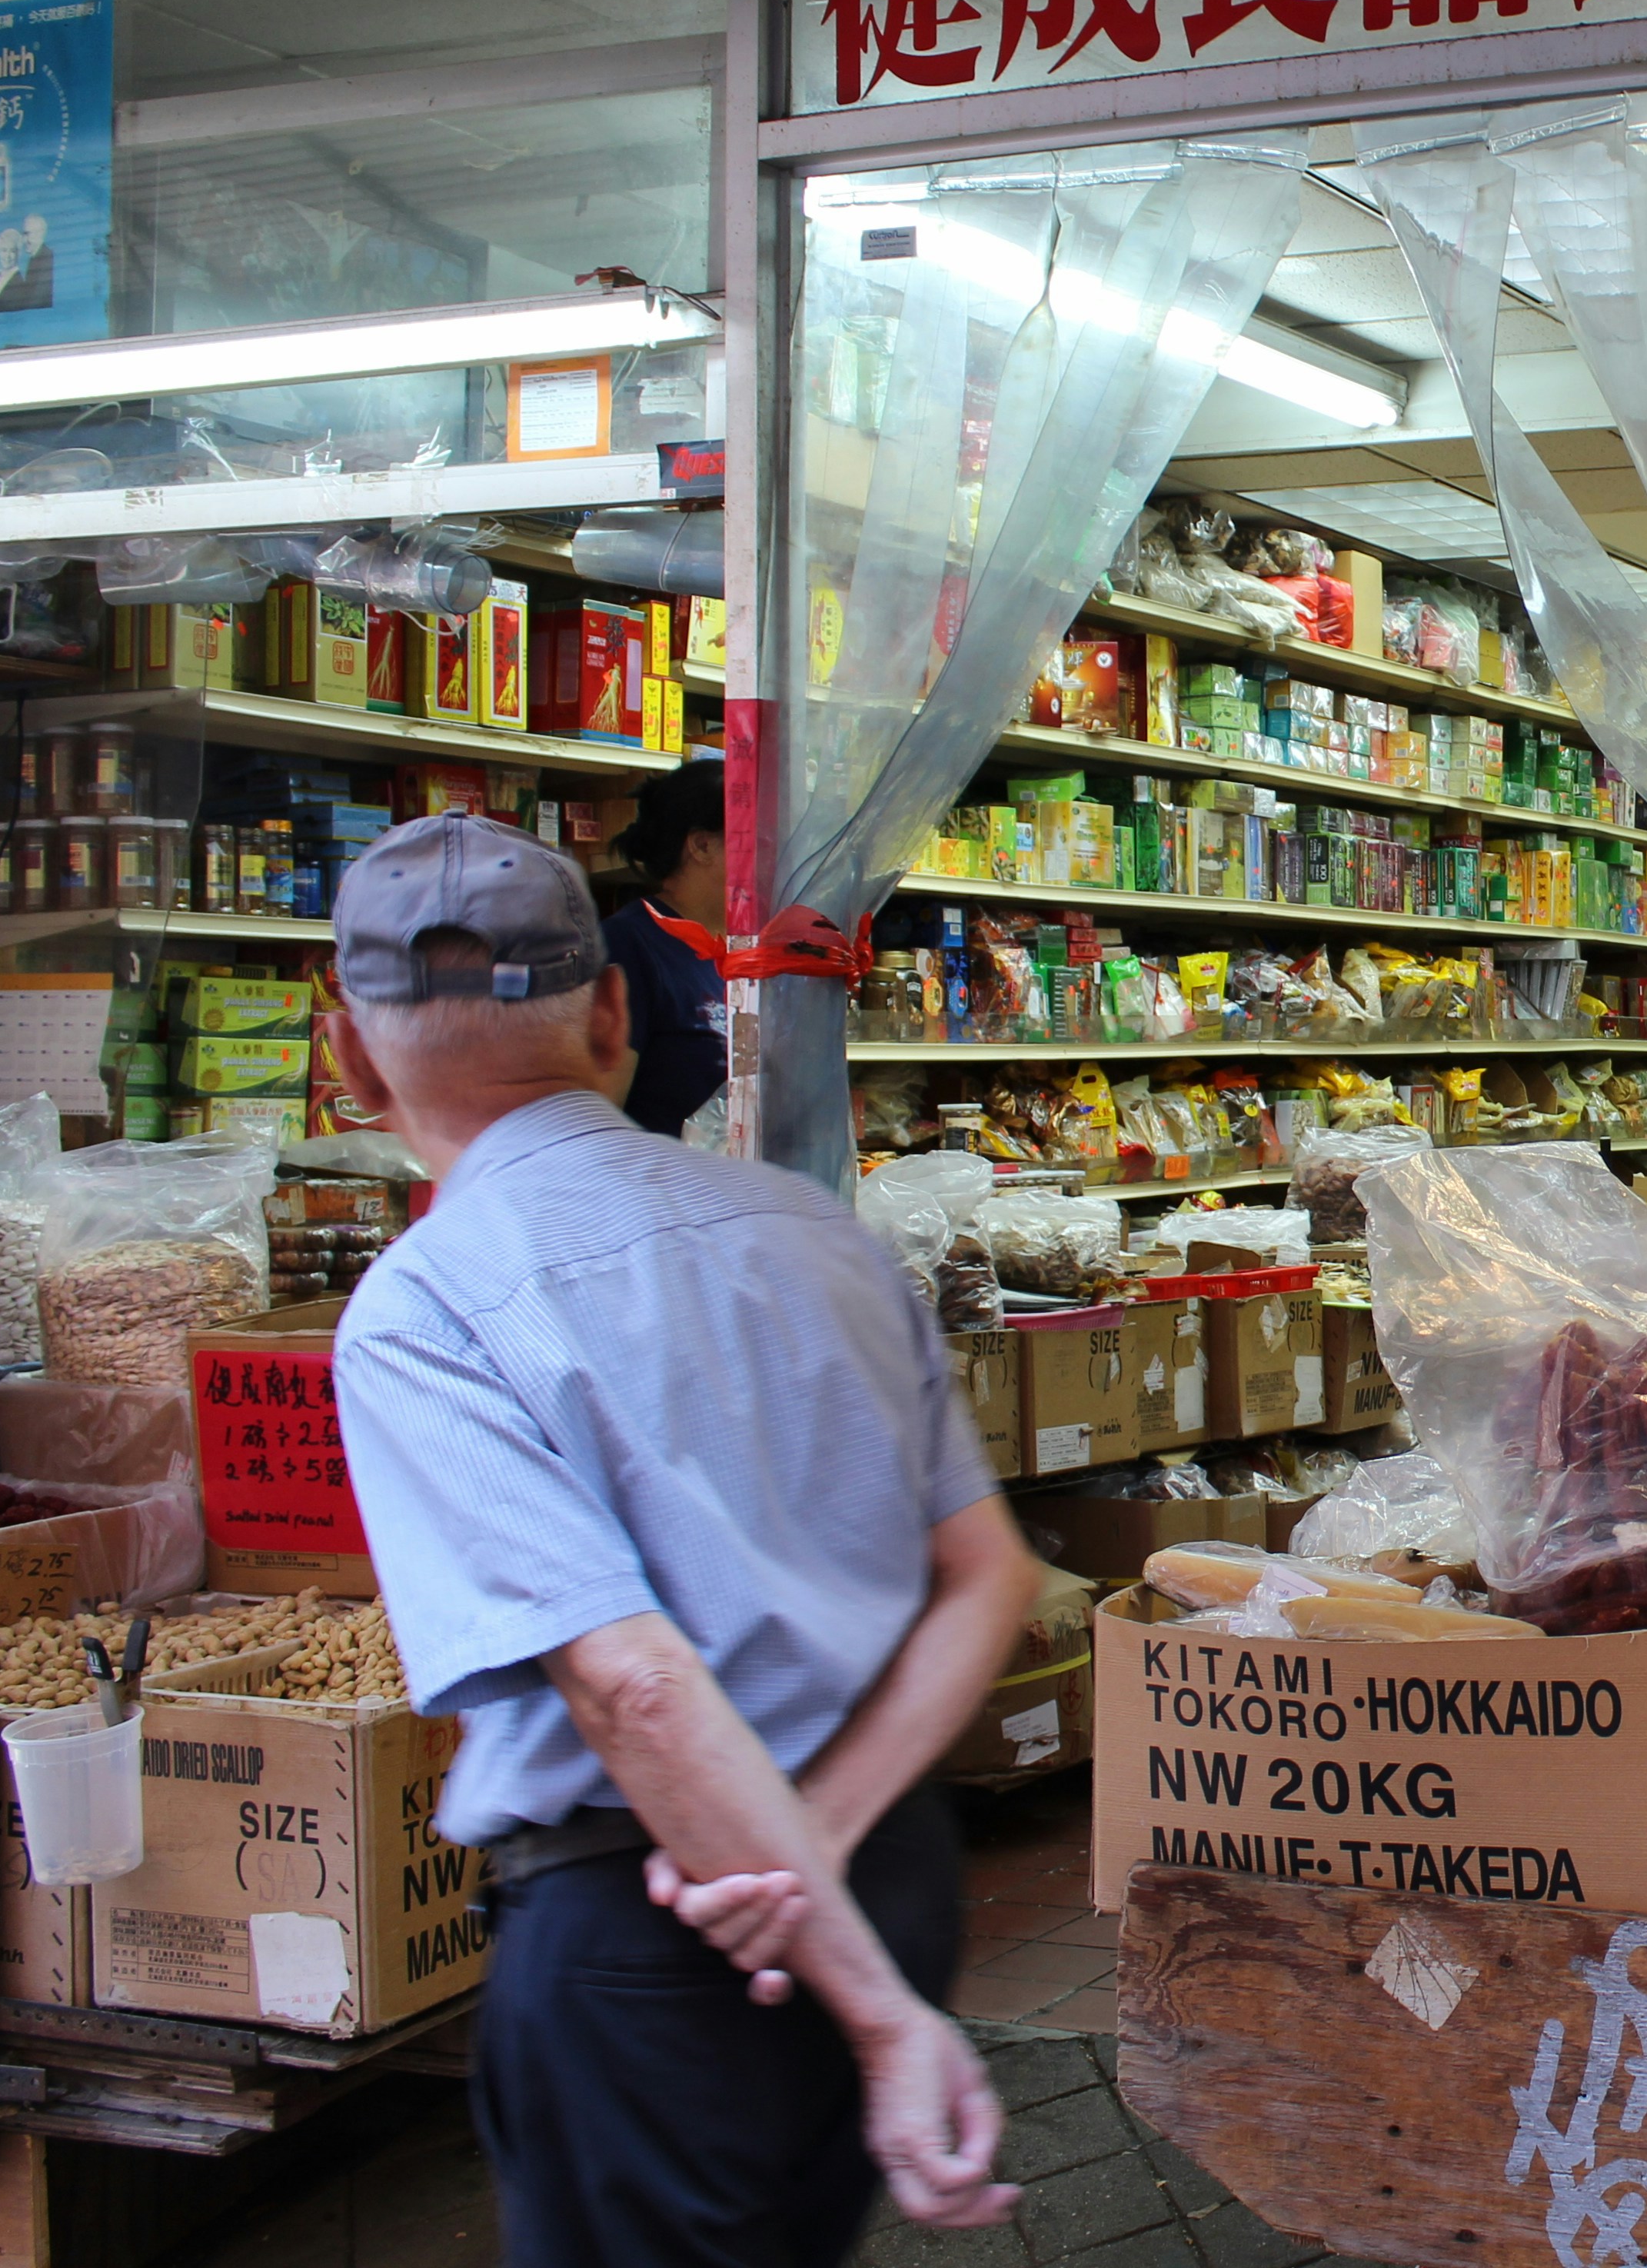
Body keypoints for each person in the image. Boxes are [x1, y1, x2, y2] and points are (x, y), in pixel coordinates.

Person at [318, 811, 1038, 2266]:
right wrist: (831, 1854)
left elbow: (632, 1685)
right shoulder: (816, 1231)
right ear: (608, 1014)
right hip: (882, 1867)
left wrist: (877, 2016)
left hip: (671, 1929)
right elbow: (990, 1575)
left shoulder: (422, 1306)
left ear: (344, 1053)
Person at [604, 758, 729, 1138]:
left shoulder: (738, 949)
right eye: (761, 838)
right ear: (703, 846)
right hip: (657, 1191)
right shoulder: (628, 945)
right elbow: (600, 1117)